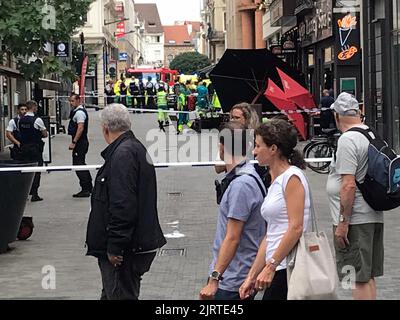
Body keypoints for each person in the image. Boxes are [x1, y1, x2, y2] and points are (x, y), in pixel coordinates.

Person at [86, 104, 166, 300]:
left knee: (120, 294)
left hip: (125, 251)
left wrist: (115, 246)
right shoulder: (132, 148)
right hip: (131, 245)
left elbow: (123, 204)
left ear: (105, 128)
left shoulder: (123, 154)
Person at [239, 119, 310, 300]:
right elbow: (271, 233)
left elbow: (296, 227)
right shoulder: (276, 181)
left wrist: (270, 266)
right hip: (277, 266)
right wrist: (252, 275)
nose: (254, 152)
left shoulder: (292, 177)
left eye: (257, 146)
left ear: (273, 149)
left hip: (288, 267)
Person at [199, 121, 266, 300]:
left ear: (222, 147)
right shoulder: (246, 174)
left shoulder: (241, 185)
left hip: (233, 279)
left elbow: (233, 237)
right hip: (232, 274)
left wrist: (214, 279)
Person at [326, 92, 383, 300]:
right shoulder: (370, 133)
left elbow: (348, 185)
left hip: (355, 220)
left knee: (356, 278)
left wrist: (343, 222)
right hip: (371, 215)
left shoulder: (348, 139)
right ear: (359, 112)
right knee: (367, 276)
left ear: (337, 115)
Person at [215, 103, 260, 174]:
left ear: (247, 120)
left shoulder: (257, 138)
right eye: (232, 117)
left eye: (237, 118)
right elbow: (218, 168)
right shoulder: (227, 137)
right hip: (232, 176)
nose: (233, 120)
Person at [18, 100, 48, 202]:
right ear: (34, 107)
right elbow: (45, 134)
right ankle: (34, 193)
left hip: (23, 148)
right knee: (37, 170)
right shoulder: (37, 120)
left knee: (25, 170)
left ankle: (25, 192)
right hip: (35, 148)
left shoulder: (20, 120)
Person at [68, 94, 93, 197]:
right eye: (70, 101)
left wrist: (74, 142)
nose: (71, 103)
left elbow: (80, 128)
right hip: (81, 142)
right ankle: (88, 187)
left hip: (80, 143)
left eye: (73, 101)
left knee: (78, 165)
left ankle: (86, 188)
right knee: (80, 164)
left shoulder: (79, 113)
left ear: (78, 100)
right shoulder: (77, 111)